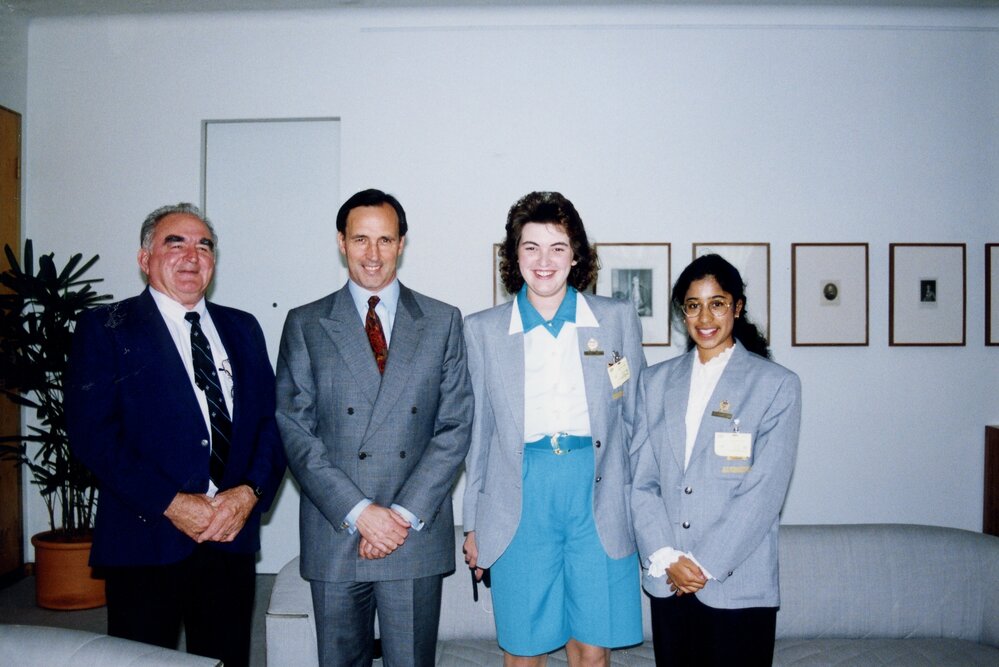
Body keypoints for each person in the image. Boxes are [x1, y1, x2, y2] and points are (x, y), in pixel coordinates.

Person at [65, 203, 286, 667]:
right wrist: (171, 503)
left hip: (229, 535)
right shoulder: (106, 328)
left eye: (204, 245)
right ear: (144, 259)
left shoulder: (243, 327)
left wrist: (249, 494)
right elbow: (93, 435)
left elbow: (274, 423)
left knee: (226, 658)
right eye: (176, 243)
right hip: (145, 538)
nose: (192, 255)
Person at [276, 188, 473, 667]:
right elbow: (295, 430)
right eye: (360, 239)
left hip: (413, 530)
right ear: (341, 242)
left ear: (402, 244)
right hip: (337, 527)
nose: (373, 254)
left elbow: (454, 426)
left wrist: (398, 516)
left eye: (385, 240)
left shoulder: (442, 320)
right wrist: (361, 512)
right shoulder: (306, 323)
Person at [462, 191, 645, 666]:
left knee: (592, 649)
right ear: (514, 255)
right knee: (524, 650)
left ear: (576, 255)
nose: (544, 261)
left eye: (558, 247)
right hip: (519, 497)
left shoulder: (615, 319)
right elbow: (478, 437)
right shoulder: (481, 331)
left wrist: (643, 507)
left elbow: (636, 422)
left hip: (598, 494)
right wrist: (473, 523)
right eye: (531, 247)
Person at [630, 253, 801, 666]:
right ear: (683, 313)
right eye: (693, 305)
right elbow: (641, 481)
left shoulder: (776, 385)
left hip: (738, 584)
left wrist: (702, 564)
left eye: (717, 303)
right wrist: (667, 557)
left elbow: (764, 492)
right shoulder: (654, 382)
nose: (705, 317)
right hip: (670, 581)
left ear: (737, 307)